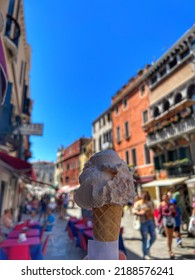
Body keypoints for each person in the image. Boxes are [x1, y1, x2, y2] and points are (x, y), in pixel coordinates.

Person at [133, 191, 156, 259]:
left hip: (150, 221)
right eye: (144, 196)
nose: (145, 197)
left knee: (153, 237)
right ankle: (145, 254)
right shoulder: (138, 203)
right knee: (145, 238)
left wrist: (154, 222)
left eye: (146, 196)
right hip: (143, 222)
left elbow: (153, 213)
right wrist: (140, 213)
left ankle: (147, 248)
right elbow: (134, 211)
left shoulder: (150, 203)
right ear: (142, 196)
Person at [158, 194, 177, 259]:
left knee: (171, 236)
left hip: (171, 220)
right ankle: (170, 250)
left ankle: (170, 248)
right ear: (163, 198)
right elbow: (160, 213)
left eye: (167, 197)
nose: (166, 198)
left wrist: (173, 210)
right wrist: (159, 222)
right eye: (165, 197)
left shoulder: (171, 204)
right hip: (165, 220)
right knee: (168, 236)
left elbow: (175, 213)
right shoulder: (161, 204)